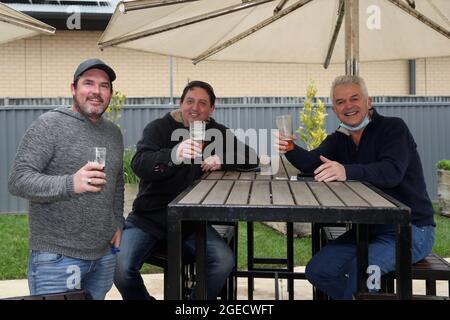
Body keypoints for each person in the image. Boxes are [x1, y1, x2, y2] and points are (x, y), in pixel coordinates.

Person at [275, 75, 435, 300]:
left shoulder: (393, 128)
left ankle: (361, 294)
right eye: (340, 102)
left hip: (410, 230)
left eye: (354, 98)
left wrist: (346, 171)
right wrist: (290, 147)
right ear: (335, 109)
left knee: (362, 276)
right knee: (318, 271)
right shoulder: (341, 137)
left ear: (368, 101)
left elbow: (391, 173)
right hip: (368, 230)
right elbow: (313, 163)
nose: (348, 106)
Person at [114, 80, 258, 300]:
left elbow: (252, 158)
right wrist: (174, 154)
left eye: (202, 103)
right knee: (120, 269)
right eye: (190, 101)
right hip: (148, 219)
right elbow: (139, 163)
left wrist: (223, 159)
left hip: (190, 225)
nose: (195, 107)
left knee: (224, 261)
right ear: (181, 104)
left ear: (212, 109)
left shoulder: (216, 132)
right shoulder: (159, 128)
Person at [8, 58, 124, 300]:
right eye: (88, 83)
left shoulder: (113, 133)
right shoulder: (50, 125)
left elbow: (117, 183)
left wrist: (118, 222)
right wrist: (70, 184)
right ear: (73, 89)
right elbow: (18, 179)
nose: (96, 91)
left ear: (111, 93)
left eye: (104, 86)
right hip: (57, 257)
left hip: (103, 255)